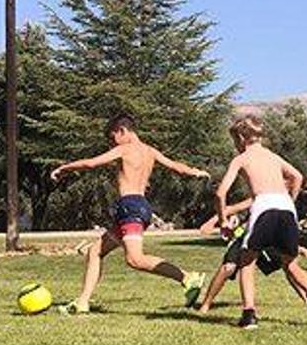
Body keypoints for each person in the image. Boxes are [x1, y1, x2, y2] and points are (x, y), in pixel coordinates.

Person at [50, 114, 209, 313]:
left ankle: (187, 277)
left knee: (135, 259)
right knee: (95, 251)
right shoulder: (150, 151)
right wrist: (195, 171)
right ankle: (82, 302)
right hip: (139, 206)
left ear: (122, 131)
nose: (112, 143)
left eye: (113, 137)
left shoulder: (124, 149)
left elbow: (91, 163)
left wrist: (64, 168)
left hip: (130, 207)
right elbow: (176, 167)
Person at [214, 115, 307, 330]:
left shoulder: (241, 159)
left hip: (263, 206)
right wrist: (291, 201)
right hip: (286, 207)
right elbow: (297, 177)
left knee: (247, 261)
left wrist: (223, 221)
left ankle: (249, 314)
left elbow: (220, 193)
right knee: (290, 262)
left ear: (241, 138)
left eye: (235, 141)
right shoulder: (273, 156)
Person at [194, 198, 307, 313]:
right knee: (228, 268)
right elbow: (230, 209)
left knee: (289, 265)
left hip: (268, 238)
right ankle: (205, 305)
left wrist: (296, 247)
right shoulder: (259, 196)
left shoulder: (282, 202)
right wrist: (211, 222)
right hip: (247, 238)